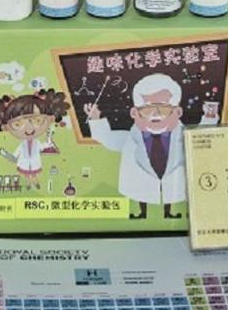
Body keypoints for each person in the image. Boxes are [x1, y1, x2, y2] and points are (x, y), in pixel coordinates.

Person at [85, 71, 214, 218]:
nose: (155, 114)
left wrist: (209, 119)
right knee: (142, 190)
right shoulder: (129, 139)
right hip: (140, 183)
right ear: (134, 113)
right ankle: (142, 212)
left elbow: (201, 137)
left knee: (170, 191)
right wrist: (95, 119)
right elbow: (107, 138)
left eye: (164, 108)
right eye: (147, 109)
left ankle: (169, 212)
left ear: (178, 112)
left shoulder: (184, 136)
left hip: (173, 181)